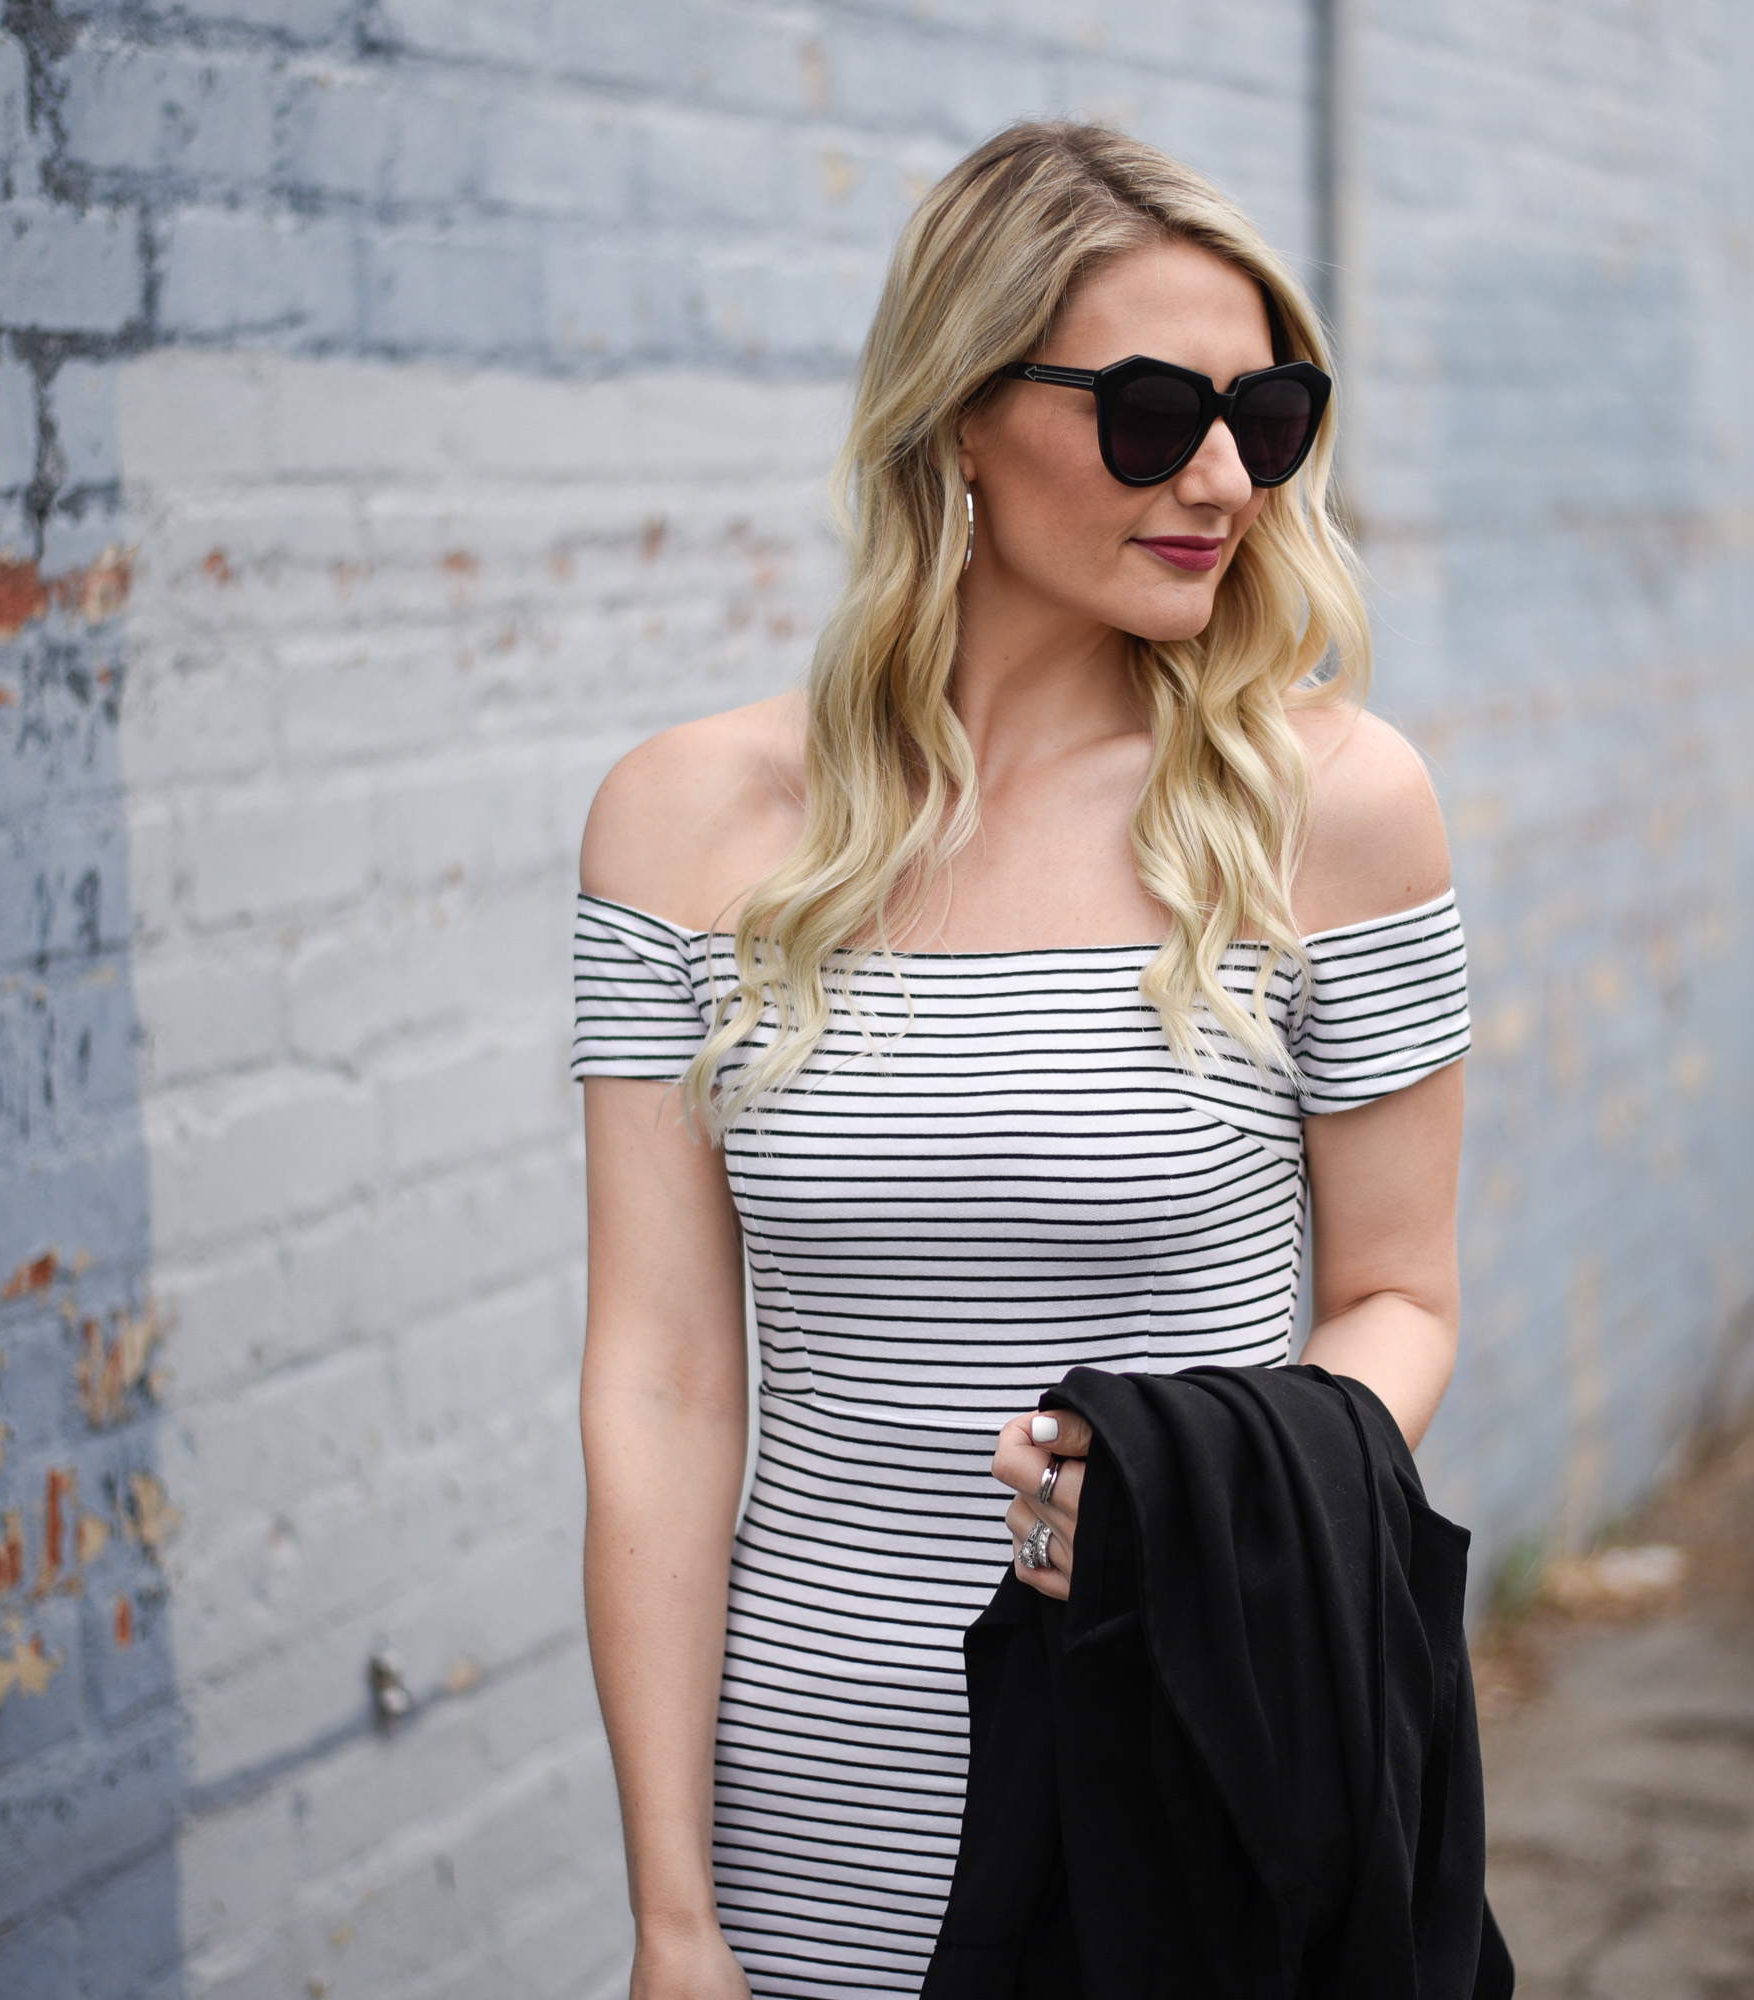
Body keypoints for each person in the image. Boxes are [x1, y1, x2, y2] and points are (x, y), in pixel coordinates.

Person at [572, 121, 1470, 2000]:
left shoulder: (1332, 808)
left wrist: (1190, 1494)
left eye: (1269, 415)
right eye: (1151, 412)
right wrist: (674, 1913)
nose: (1222, 477)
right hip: (806, 1803)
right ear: (962, 415)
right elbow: (659, 1384)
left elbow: (1399, 1295)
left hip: (1191, 1785)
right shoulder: (684, 825)